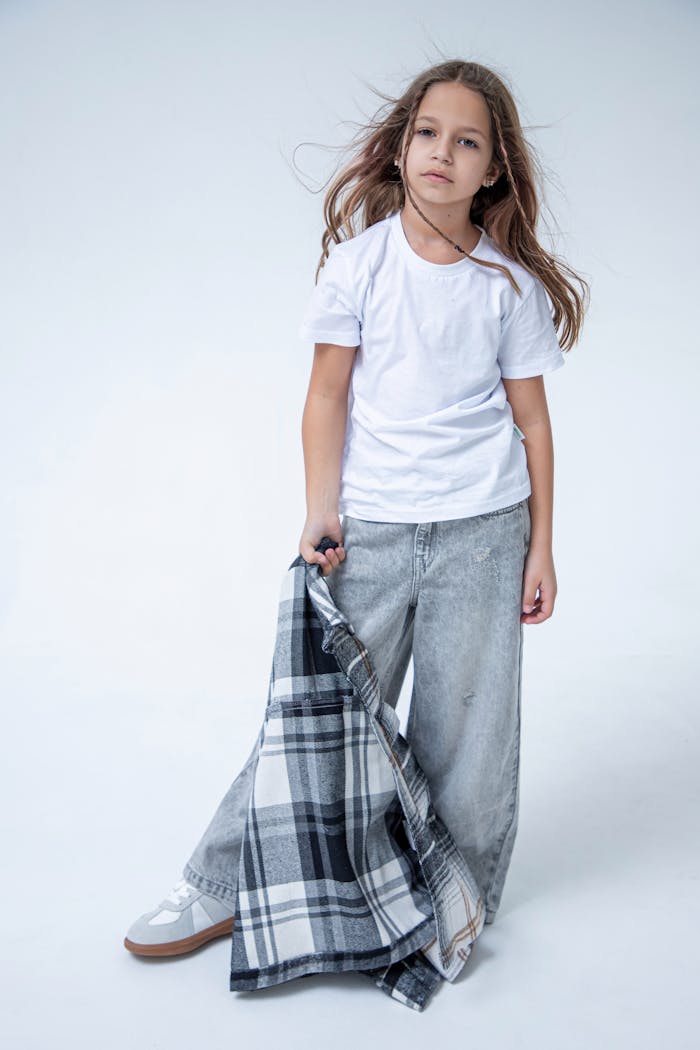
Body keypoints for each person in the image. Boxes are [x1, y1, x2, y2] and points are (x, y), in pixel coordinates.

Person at [124, 58, 589, 958]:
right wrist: (319, 509)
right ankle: (219, 884)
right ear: (400, 144)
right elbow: (325, 396)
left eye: (466, 142)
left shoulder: (507, 287)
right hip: (369, 530)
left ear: (493, 167)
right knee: (315, 717)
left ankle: (454, 896)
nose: (442, 154)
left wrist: (542, 547)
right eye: (427, 133)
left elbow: (533, 424)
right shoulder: (359, 264)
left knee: (469, 739)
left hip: (484, 536)